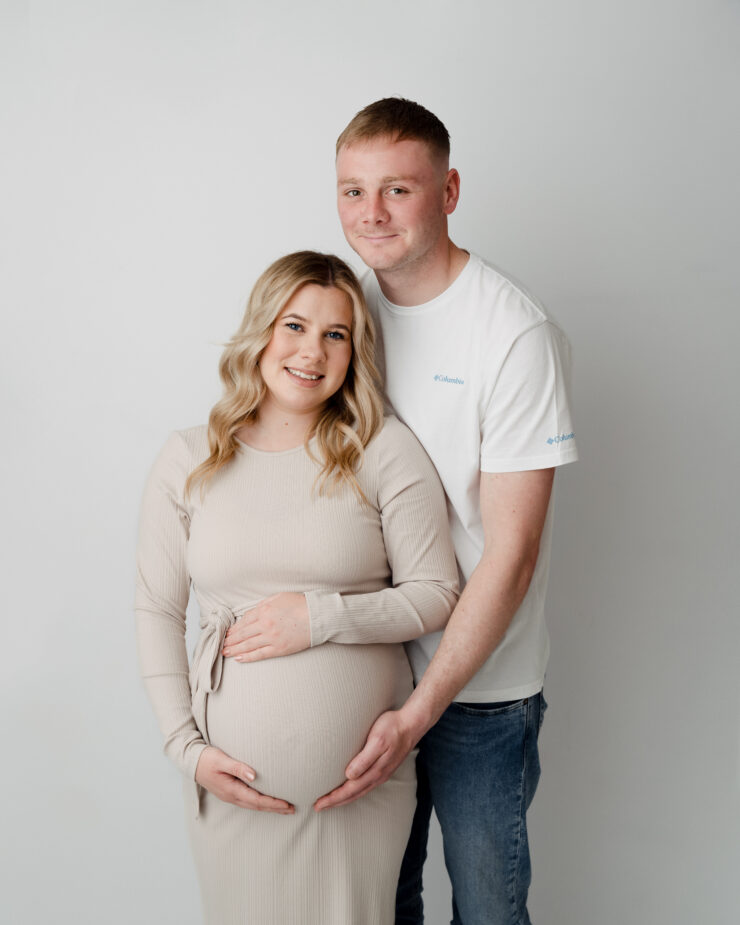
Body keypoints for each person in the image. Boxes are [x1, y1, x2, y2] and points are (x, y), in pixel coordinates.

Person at [313, 99, 579, 925]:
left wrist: (419, 713)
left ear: (450, 189)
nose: (373, 214)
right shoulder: (342, 319)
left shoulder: (512, 333)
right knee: (376, 905)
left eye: (398, 188)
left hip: (481, 695)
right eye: (353, 191)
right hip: (365, 673)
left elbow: (513, 553)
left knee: (488, 913)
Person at [135, 251, 459, 925]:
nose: (312, 350)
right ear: (261, 331)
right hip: (232, 789)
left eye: (335, 334)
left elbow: (436, 592)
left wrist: (321, 617)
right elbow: (158, 610)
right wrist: (185, 751)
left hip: (359, 791)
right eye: (295, 325)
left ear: (353, 351)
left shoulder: (381, 448)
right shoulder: (188, 458)